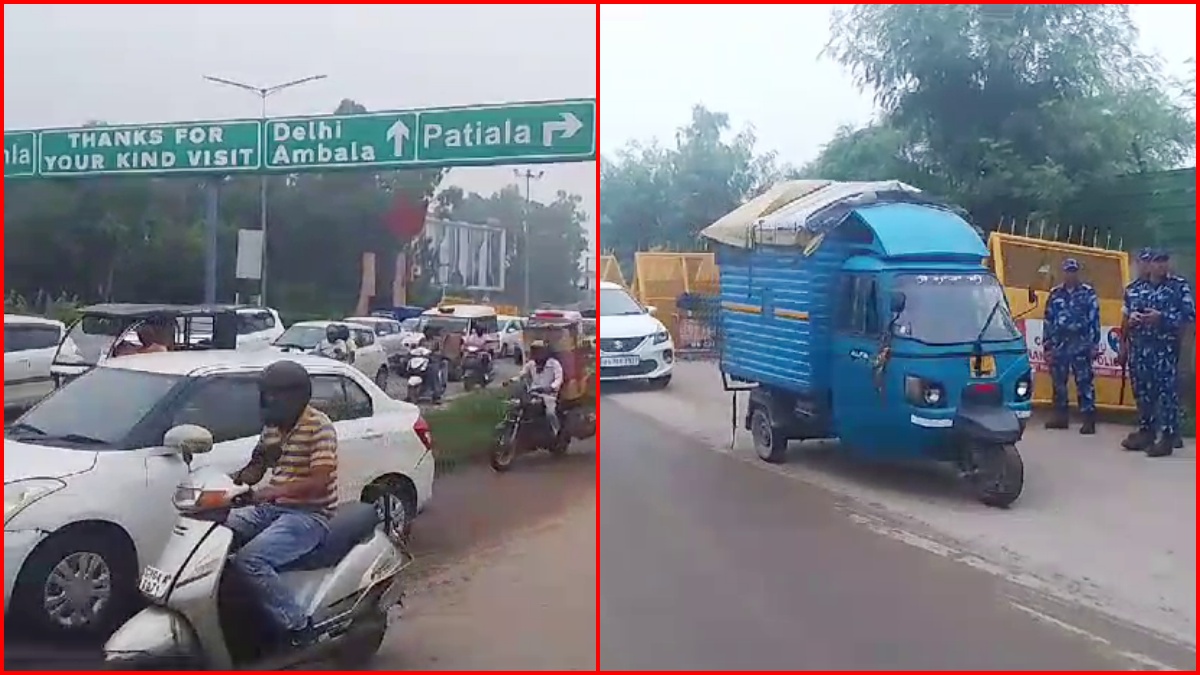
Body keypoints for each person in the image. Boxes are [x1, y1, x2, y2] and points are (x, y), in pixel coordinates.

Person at [227, 360, 338, 646]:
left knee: (251, 559)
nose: (269, 401)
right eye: (266, 395)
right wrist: (226, 485)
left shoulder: (319, 427)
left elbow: (320, 480)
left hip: (310, 514)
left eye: (275, 395)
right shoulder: (273, 428)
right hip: (272, 509)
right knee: (218, 533)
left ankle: (299, 625)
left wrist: (271, 492)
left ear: (296, 396)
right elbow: (256, 469)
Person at [1120, 250, 1195, 456]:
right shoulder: (1135, 289)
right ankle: (1146, 432)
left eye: (1164, 261)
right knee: (1143, 393)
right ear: (1148, 264)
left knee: (1166, 395)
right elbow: (1126, 317)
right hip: (1140, 350)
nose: (1160, 266)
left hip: (1165, 351)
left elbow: (1188, 318)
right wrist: (1134, 321)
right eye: (1156, 261)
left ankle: (1169, 437)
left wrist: (1162, 318)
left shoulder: (1178, 287)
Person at [1043, 258, 1100, 434]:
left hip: (1080, 342)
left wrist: (1094, 343)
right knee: (1059, 381)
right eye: (1068, 271)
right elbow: (1048, 320)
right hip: (1060, 342)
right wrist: (1047, 346)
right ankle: (1060, 417)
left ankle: (1088, 418)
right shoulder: (1055, 294)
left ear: (1077, 273)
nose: (1070, 274)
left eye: (1073, 271)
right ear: (1063, 273)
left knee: (1084, 381)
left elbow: (1094, 319)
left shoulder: (1088, 293)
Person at [516, 340, 564, 436]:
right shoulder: (531, 363)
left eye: (539, 351)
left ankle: (557, 431)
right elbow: (522, 374)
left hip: (548, 395)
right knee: (520, 409)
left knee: (550, 413)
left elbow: (559, 379)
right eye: (535, 351)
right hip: (533, 393)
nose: (537, 354)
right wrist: (511, 381)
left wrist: (550, 387)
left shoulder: (554, 364)